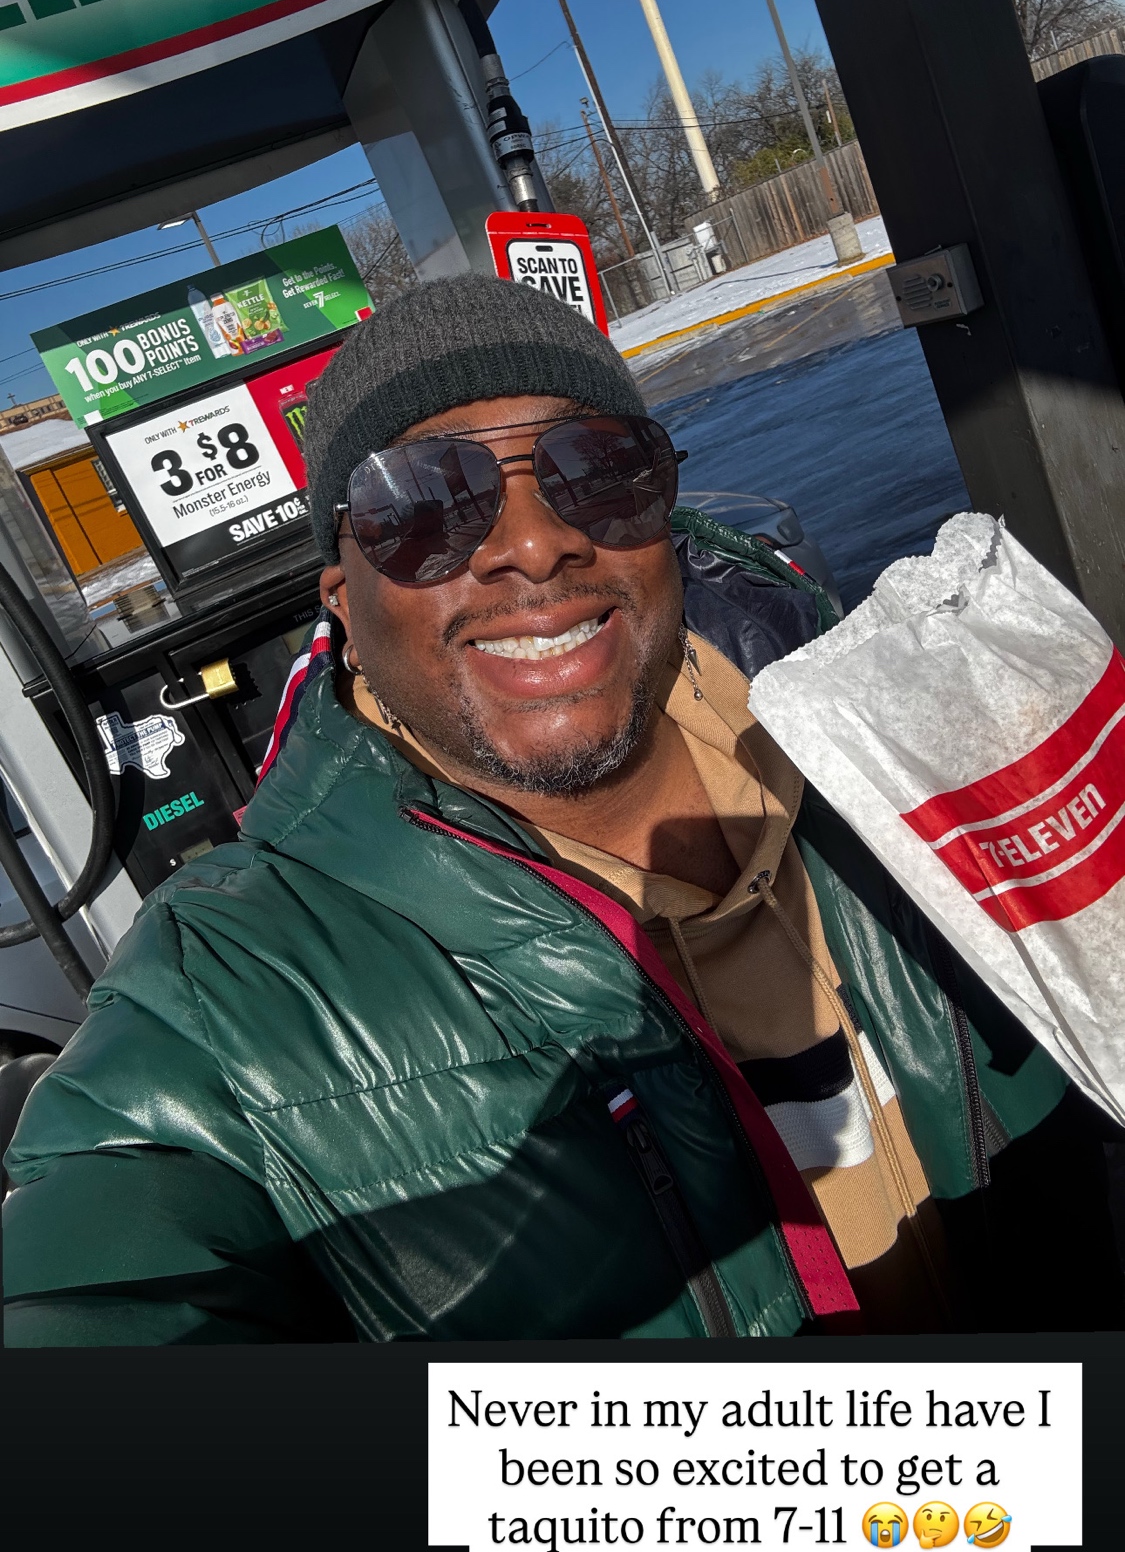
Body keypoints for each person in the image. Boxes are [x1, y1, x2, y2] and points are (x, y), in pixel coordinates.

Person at [4, 275, 1122, 1343]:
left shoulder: (905, 746)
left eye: (597, 471)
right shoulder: (212, 1002)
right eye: (423, 506)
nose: (535, 543)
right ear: (342, 596)